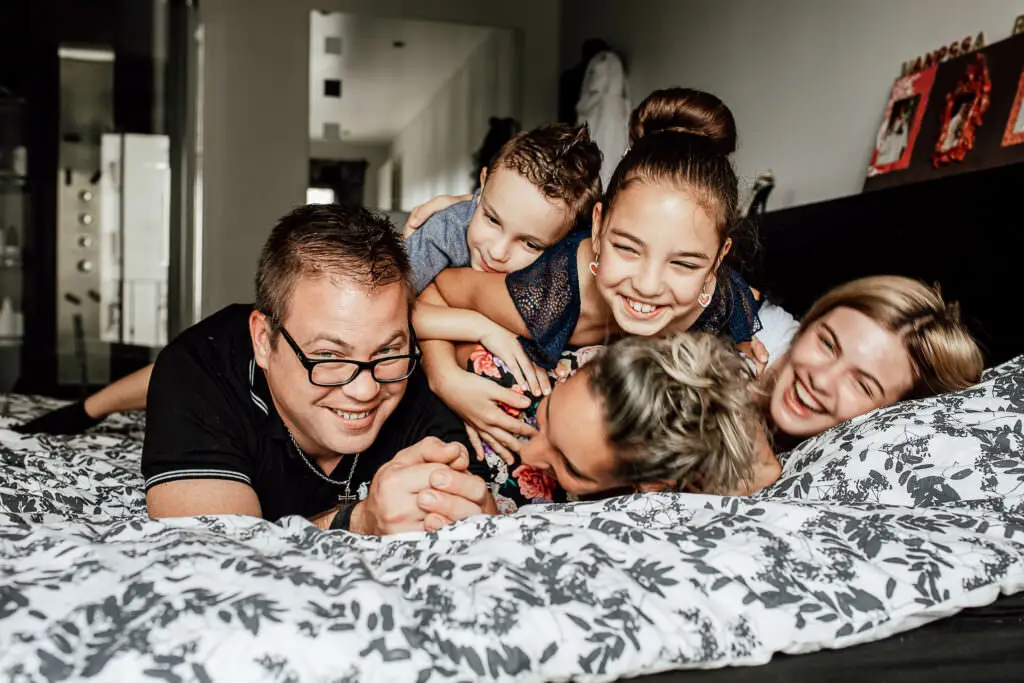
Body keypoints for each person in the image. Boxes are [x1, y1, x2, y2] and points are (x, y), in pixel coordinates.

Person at [16, 122, 603, 436]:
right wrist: (478, 323)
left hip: (384, 365)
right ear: (480, 185)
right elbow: (393, 319)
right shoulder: (449, 232)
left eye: (529, 242)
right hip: (355, 323)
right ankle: (94, 407)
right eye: (492, 217)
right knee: (216, 356)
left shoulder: (570, 264)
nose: (497, 251)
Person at [418, 87, 771, 459]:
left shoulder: (724, 299)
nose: (647, 286)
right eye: (627, 248)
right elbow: (435, 291)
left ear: (718, 260)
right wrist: (444, 376)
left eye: (684, 264)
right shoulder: (551, 291)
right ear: (599, 229)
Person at [140, 203, 497, 535]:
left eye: (387, 349)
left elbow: (477, 519)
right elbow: (220, 549)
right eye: (329, 356)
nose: (365, 390)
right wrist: (359, 519)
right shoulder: (199, 370)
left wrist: (472, 510)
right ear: (264, 340)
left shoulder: (414, 373)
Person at [464, 333, 767, 514]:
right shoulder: (530, 374)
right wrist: (445, 378)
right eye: (548, 414)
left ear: (651, 485)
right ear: (577, 372)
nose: (528, 455)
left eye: (569, 467)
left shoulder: (640, 526)